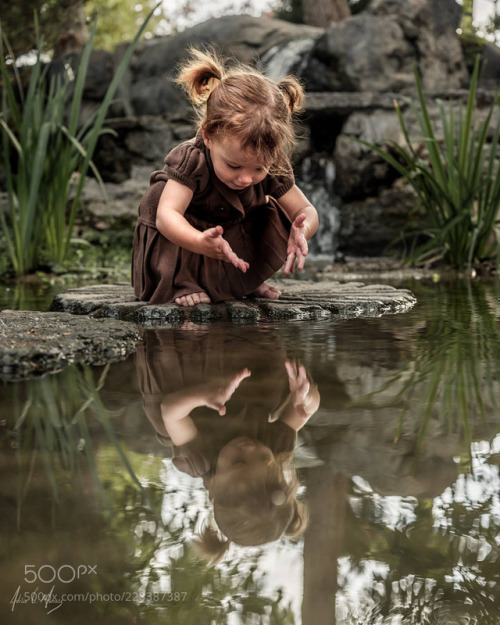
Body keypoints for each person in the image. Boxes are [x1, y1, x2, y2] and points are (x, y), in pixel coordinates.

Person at [132, 48, 319, 306]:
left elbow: (306, 210)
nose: (245, 178)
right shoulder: (192, 159)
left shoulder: (271, 161)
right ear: (208, 136)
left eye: (258, 169)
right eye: (234, 166)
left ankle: (246, 280)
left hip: (229, 228)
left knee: (276, 211)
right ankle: (181, 283)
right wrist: (198, 241)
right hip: (181, 236)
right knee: (167, 210)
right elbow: (167, 216)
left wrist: (302, 229)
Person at [136, 327, 320, 562]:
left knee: (165, 419)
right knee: (278, 392)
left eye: (239, 462)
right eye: (264, 459)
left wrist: (203, 395)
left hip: (187, 385)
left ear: (213, 486)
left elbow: (171, 412)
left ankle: (184, 330)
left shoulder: (200, 459)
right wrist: (306, 397)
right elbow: (304, 412)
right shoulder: (277, 448)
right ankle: (249, 330)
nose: (251, 449)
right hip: (240, 381)